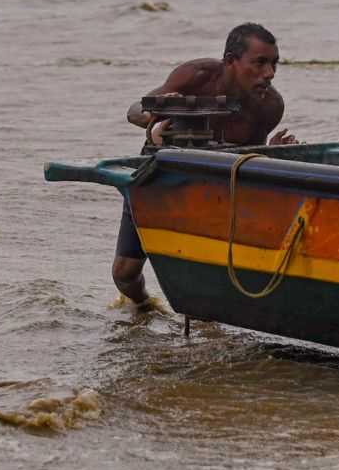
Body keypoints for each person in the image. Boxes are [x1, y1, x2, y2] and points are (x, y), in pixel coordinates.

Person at [113, 23, 297, 312]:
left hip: (214, 187)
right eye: (259, 63)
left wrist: (272, 151)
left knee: (208, 270)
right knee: (124, 273)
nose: (269, 74)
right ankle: (143, 307)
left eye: (274, 64)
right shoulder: (197, 75)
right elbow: (134, 111)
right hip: (159, 175)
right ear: (230, 60)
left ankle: (208, 319)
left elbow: (249, 161)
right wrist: (158, 109)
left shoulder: (269, 105)